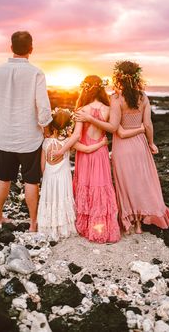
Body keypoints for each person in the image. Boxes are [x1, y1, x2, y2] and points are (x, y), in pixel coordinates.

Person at [75, 62, 169, 234]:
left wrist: (90, 119)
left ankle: (132, 222)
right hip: (140, 145)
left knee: (126, 185)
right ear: (137, 77)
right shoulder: (143, 97)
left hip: (122, 149)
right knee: (142, 182)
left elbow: (114, 128)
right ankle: (140, 223)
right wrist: (151, 142)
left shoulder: (116, 99)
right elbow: (148, 124)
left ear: (118, 77)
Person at [53, 75, 139, 243]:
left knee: (86, 186)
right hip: (100, 152)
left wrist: (63, 148)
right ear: (101, 89)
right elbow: (117, 129)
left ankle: (87, 226)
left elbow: (77, 136)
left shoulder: (82, 110)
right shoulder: (108, 109)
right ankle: (102, 228)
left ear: (85, 90)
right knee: (100, 187)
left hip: (85, 155)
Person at [0, 31, 52, 231]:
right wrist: (46, 128)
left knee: (2, 177)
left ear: (11, 47)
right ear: (31, 49)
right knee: (31, 181)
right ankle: (33, 223)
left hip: (4, 136)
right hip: (29, 138)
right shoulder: (36, 73)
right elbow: (43, 106)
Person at [37, 108, 108, 241]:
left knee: (50, 201)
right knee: (62, 199)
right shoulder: (68, 142)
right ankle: (63, 227)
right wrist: (101, 143)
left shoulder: (45, 142)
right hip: (63, 178)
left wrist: (45, 177)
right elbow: (87, 149)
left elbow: (42, 165)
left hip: (49, 178)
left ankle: (48, 226)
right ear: (69, 125)